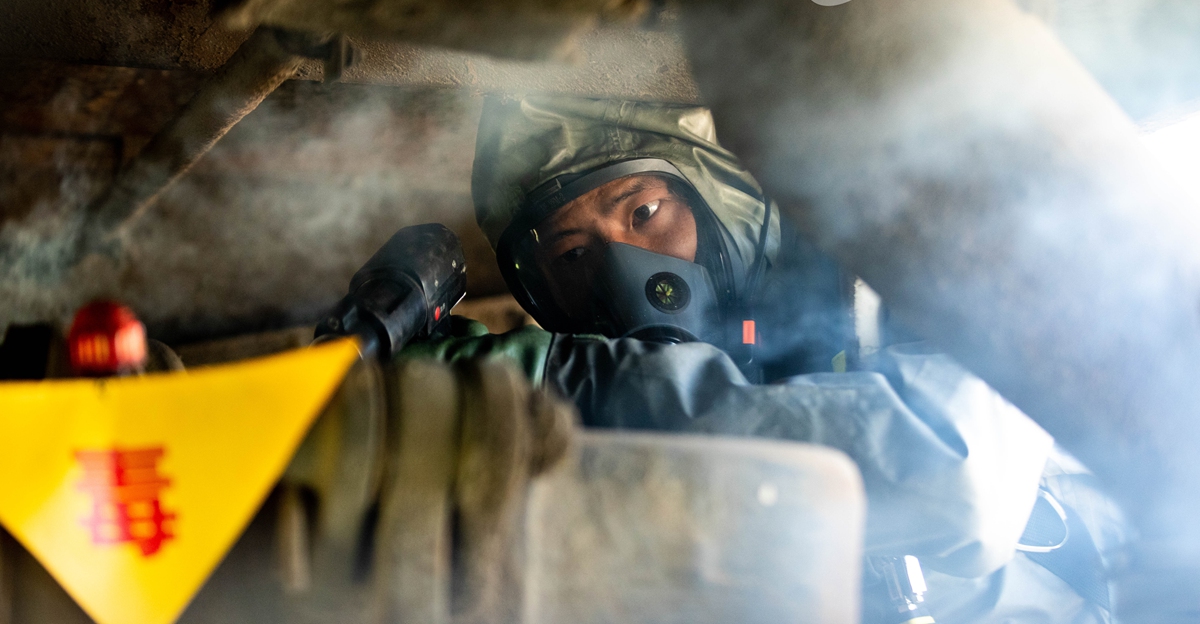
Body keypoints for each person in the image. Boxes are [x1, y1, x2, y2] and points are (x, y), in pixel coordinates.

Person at [400, 95, 1129, 623]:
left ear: (723, 199)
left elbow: (956, 479)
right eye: (573, 254)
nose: (621, 272)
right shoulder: (604, 417)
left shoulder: (895, 263)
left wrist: (549, 380)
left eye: (644, 212)